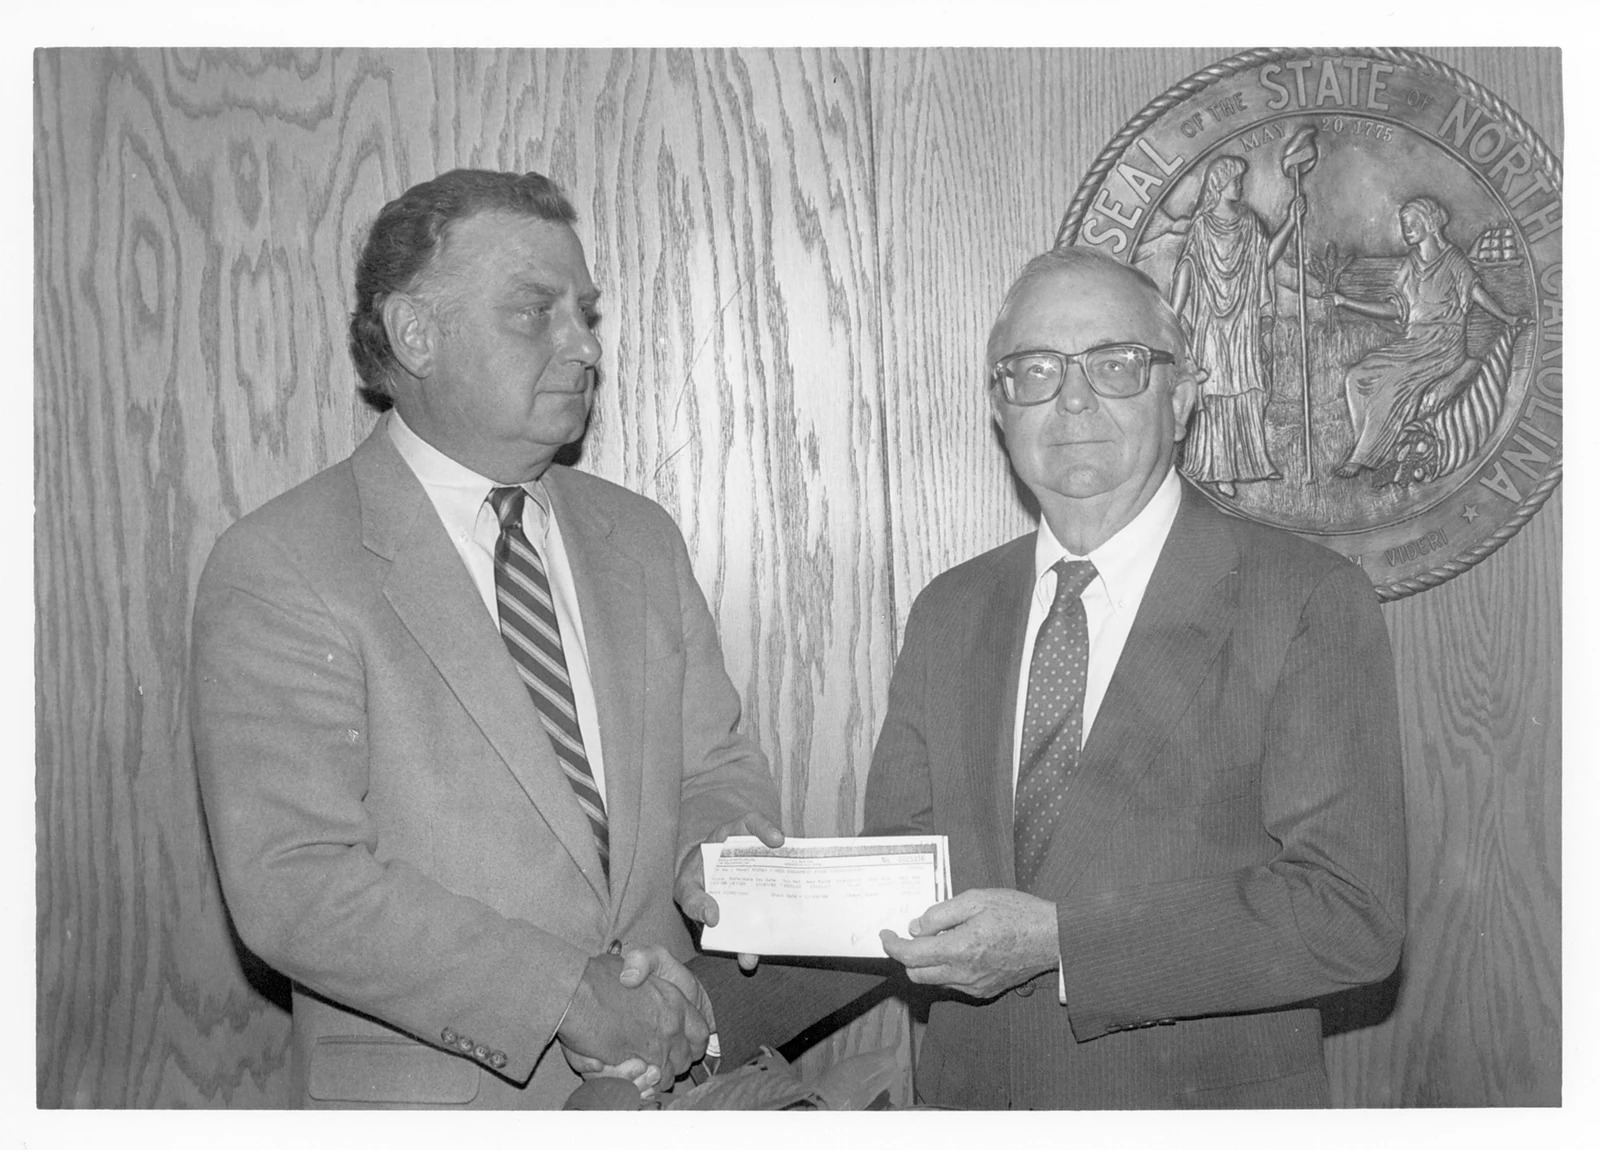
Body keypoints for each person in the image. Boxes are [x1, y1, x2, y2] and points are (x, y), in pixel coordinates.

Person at [191, 169, 781, 1109]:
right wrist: (564, 998)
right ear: (415, 334)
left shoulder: (641, 538)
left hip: (673, 1091)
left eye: (585, 312)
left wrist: (719, 856)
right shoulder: (284, 564)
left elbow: (713, 768)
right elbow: (295, 882)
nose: (584, 344)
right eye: (534, 312)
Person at [857, 246, 1407, 1107]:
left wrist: (1065, 943)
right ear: (1001, 408)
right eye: (1034, 369)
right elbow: (892, 886)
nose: (1073, 398)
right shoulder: (949, 611)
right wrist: (731, 922)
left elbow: (1351, 916)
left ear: (1182, 396)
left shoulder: (1302, 599)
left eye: (1115, 365)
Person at [1329, 195, 1521, 483]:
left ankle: (1361, 457)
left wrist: (1507, 317)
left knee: (1395, 383)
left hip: (1443, 345)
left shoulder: (1454, 259)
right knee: (1356, 376)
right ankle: (1370, 448)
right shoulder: (1411, 263)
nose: (1406, 229)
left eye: (1411, 223)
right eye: (1403, 224)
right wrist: (1346, 301)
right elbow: (1394, 309)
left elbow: (1477, 293)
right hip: (1413, 342)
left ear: (1429, 224)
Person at [1166, 154, 1302, 497]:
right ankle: (1219, 469)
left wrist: (1290, 222)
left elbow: (1265, 260)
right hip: (1211, 322)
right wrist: (1172, 313)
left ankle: (1254, 462)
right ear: (1218, 183)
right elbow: (1187, 269)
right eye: (1234, 180)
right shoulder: (1202, 227)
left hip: (1242, 321)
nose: (1240, 185)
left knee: (1249, 389)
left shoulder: (1249, 222)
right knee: (1215, 392)